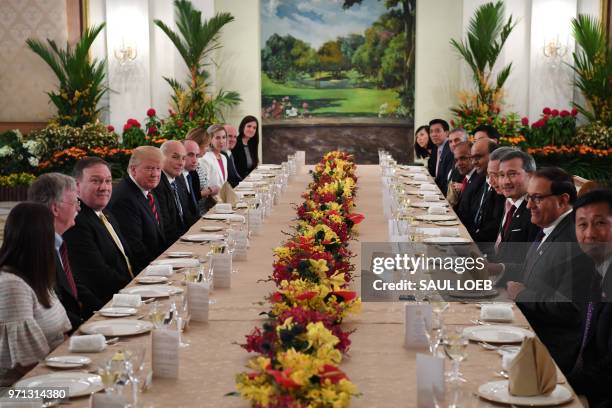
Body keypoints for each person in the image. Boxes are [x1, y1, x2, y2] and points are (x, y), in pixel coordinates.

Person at [500, 167, 594, 373]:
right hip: (528, 326)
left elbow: (569, 310)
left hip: (548, 348)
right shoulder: (552, 226)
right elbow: (533, 270)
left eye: (537, 198)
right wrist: (498, 269)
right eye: (529, 198)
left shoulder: (575, 241)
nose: (529, 205)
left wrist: (522, 294)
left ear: (562, 200)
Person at [0, 203, 72, 386]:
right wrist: (70, 378)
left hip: (51, 373)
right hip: (20, 390)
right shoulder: (12, 285)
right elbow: (26, 364)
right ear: (40, 238)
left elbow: (61, 333)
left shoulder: (35, 275)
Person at [27, 173, 101, 330]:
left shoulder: (56, 241)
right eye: (75, 202)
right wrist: (87, 327)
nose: (78, 208)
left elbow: (73, 285)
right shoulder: (36, 249)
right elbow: (52, 308)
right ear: (55, 208)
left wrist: (103, 310)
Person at [62, 157, 134, 306]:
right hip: (109, 305)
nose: (104, 187)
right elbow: (98, 276)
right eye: (96, 181)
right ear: (77, 186)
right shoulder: (76, 222)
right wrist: (136, 290)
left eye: (108, 181)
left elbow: (126, 258)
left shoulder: (105, 213)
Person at [568, 189, 612, 407]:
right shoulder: (597, 269)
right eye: (582, 225)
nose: (590, 234)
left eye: (600, 223)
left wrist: (564, 385)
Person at [107, 146, 166, 273]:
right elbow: (135, 248)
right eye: (149, 168)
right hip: (143, 273)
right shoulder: (124, 199)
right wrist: (162, 270)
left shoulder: (147, 191)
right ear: (133, 170)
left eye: (158, 169)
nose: (155, 174)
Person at [494, 150, 541, 265]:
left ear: (531, 176)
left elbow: (529, 264)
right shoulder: (509, 203)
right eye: (501, 175)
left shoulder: (535, 211)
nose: (505, 182)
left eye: (512, 174)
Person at [153, 140, 195, 247]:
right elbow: (167, 228)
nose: (181, 163)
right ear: (161, 158)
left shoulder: (179, 178)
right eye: (175, 157)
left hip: (185, 238)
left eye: (183, 158)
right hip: (172, 246)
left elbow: (187, 214)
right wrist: (189, 243)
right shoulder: (157, 184)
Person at [456, 138, 496, 237]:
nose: (474, 162)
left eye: (478, 157)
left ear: (494, 156)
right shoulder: (484, 181)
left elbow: (491, 231)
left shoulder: (500, 189)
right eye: (472, 158)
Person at [186, 126, 220, 213]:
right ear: (199, 145)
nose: (208, 148)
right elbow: (191, 196)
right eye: (207, 145)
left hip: (203, 209)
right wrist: (210, 190)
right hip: (198, 212)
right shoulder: (190, 166)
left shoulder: (198, 164)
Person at [427, 119, 453, 195]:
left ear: (447, 133)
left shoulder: (450, 150)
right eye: (431, 131)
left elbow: (446, 180)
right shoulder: (437, 147)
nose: (434, 134)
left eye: (437, 131)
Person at [447, 141, 474, 208]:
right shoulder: (468, 177)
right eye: (456, 160)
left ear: (473, 157)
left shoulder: (479, 180)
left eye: (463, 158)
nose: (458, 164)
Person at [202, 124, 228, 190]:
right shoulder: (205, 158)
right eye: (218, 138)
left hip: (222, 197)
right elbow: (204, 186)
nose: (221, 141)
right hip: (211, 198)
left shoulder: (224, 158)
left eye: (224, 137)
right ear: (209, 139)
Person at [182, 139, 202, 217]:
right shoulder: (175, 177)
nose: (195, 160)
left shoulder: (193, 173)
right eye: (190, 155)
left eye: (197, 156)